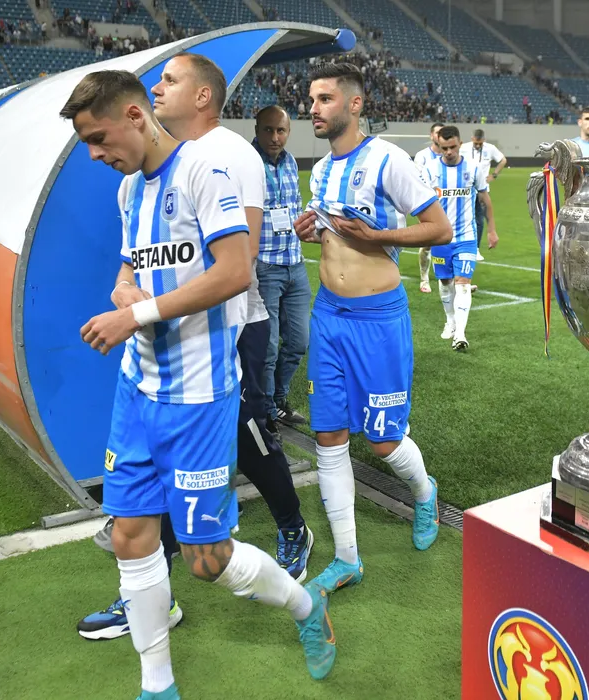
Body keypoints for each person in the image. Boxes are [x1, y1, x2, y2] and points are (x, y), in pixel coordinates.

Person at [62, 70, 336, 698]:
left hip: (199, 395)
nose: (96, 154)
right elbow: (129, 268)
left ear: (135, 116)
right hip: (137, 389)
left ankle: (306, 606)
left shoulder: (202, 174)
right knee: (131, 536)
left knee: (206, 560)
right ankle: (157, 686)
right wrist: (125, 294)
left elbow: (236, 271)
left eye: (99, 138)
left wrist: (137, 313)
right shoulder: (129, 190)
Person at [293, 62, 452, 593]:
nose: (313, 109)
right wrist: (313, 232)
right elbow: (334, 235)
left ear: (354, 104)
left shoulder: (388, 159)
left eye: (324, 99)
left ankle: (424, 492)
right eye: (311, 100)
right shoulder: (320, 170)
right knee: (329, 435)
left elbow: (439, 228)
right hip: (328, 316)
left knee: (384, 441)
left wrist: (378, 235)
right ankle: (347, 559)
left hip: (377, 320)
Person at [252, 105, 310, 432]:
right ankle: (266, 412)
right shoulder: (247, 163)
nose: (275, 137)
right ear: (257, 130)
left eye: (281, 130)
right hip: (265, 266)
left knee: (299, 341)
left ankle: (279, 399)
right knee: (268, 347)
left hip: (295, 263)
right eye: (268, 130)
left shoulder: (290, 162)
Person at [419, 125, 498, 351]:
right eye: (444, 148)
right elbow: (422, 203)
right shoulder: (430, 170)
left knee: (463, 285)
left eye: (453, 147)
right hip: (441, 238)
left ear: (460, 144)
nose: (449, 152)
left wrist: (491, 230)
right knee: (445, 283)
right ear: (439, 145)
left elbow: (485, 199)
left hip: (466, 237)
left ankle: (460, 335)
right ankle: (450, 321)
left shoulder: (473, 168)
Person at [459, 129, 506, 261]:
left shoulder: (490, 149)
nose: (478, 145)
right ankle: (461, 246)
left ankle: (476, 249)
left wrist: (494, 175)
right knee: (465, 218)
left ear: (484, 140)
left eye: (480, 143)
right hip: (466, 189)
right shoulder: (463, 148)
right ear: (472, 139)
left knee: (479, 219)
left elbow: (503, 160)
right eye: (476, 143)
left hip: (482, 189)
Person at [414, 122, 444, 294]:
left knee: (452, 242)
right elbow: (417, 180)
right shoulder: (422, 156)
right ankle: (424, 279)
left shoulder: (450, 154)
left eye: (442, 132)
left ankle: (458, 281)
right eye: (437, 133)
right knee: (427, 244)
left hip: (449, 203)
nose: (439, 136)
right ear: (431, 135)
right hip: (429, 204)